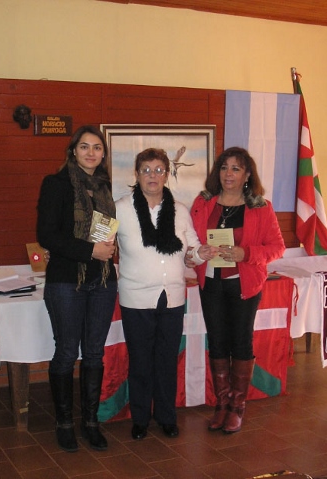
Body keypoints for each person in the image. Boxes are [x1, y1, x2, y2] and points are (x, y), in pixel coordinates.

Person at [115, 148, 213, 440]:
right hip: (135, 298)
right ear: (136, 174)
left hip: (172, 297)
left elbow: (191, 251)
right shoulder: (119, 207)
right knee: (141, 360)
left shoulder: (180, 211)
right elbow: (98, 240)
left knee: (167, 360)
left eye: (159, 170)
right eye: (146, 170)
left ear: (167, 174)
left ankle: (167, 417)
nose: (152, 176)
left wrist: (199, 253)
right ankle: (141, 419)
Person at [190, 146, 285, 434]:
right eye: (224, 168)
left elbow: (277, 248)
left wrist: (246, 254)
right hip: (211, 283)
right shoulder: (203, 203)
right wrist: (196, 252)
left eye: (235, 168)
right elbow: (189, 238)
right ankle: (221, 403)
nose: (228, 174)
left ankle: (237, 406)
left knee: (240, 343)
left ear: (247, 175)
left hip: (244, 286)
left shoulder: (261, 207)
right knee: (217, 343)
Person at [37, 125, 118, 452]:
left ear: (103, 154)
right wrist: (90, 252)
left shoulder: (106, 187)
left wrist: (108, 252)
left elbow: (110, 232)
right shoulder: (55, 184)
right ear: (73, 151)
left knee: (95, 353)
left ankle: (91, 422)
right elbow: (47, 235)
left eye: (97, 147)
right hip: (66, 280)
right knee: (68, 351)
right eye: (84, 147)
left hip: (102, 280)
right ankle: (65, 422)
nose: (90, 153)